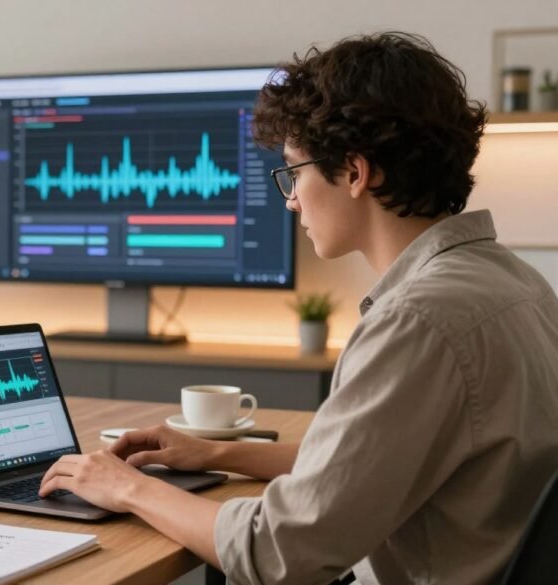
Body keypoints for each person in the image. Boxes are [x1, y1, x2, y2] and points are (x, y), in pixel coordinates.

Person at [38, 32, 558, 584]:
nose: (290, 199)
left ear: (356, 173)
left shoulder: (417, 322)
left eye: (295, 171)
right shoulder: (520, 285)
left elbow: (279, 553)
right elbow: (366, 467)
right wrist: (216, 453)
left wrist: (126, 487)